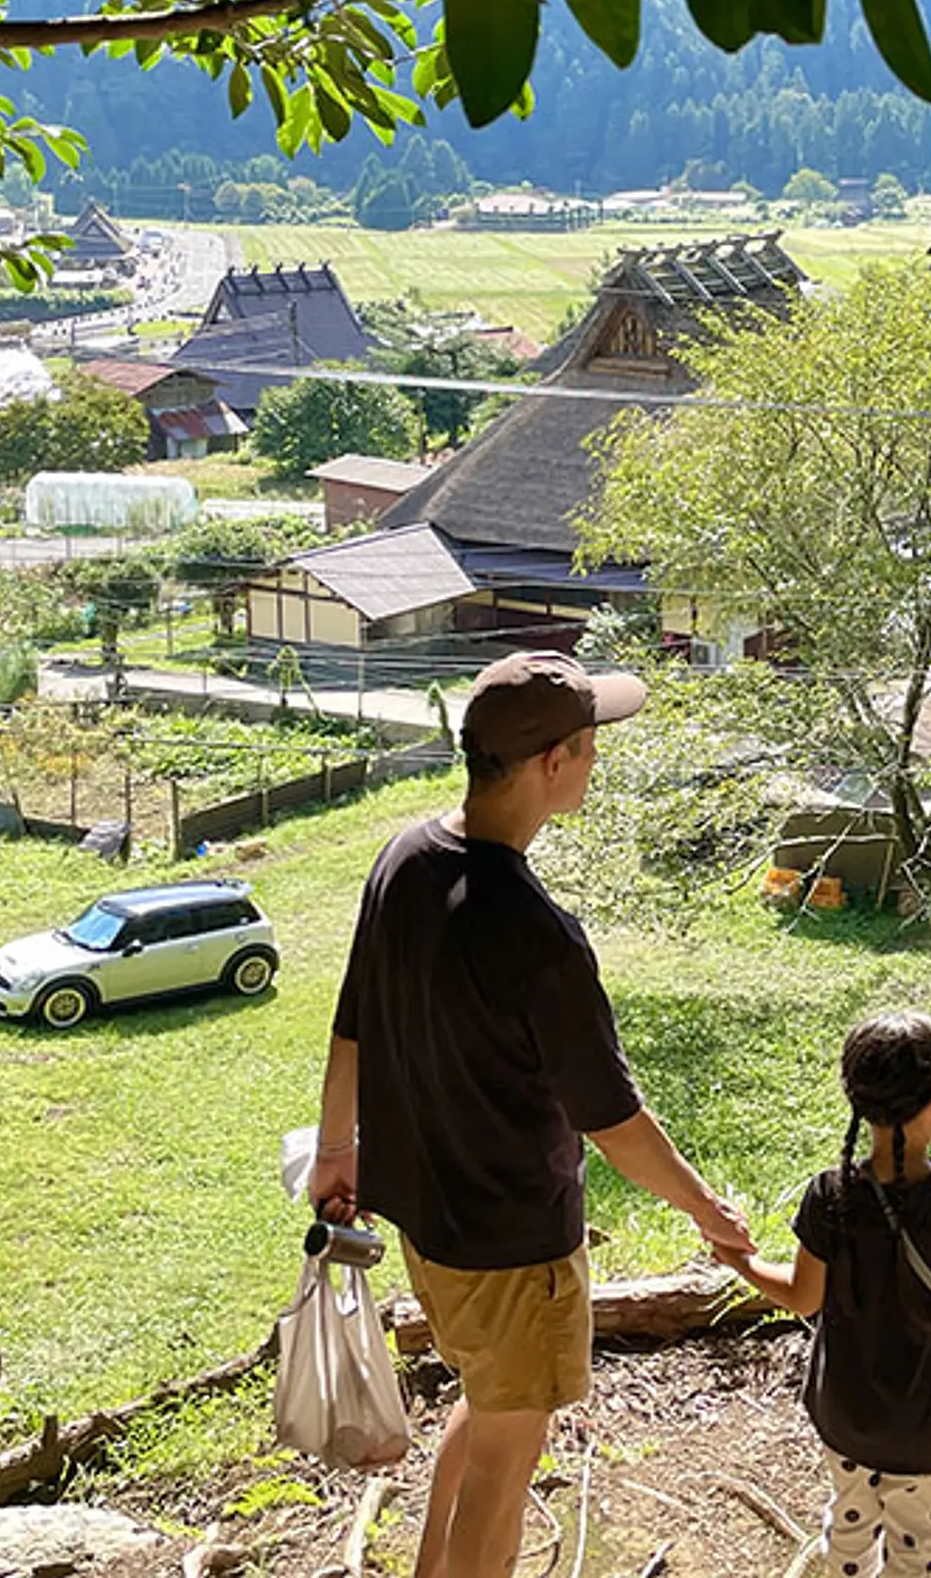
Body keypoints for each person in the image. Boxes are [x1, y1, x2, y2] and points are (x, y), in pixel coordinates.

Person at [309, 650, 753, 1578]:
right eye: (590, 746)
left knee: (489, 1404)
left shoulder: (404, 857)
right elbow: (613, 1121)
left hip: (427, 1228)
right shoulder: (537, 935)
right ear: (552, 762)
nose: (596, 762)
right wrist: (706, 1210)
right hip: (511, 1246)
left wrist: (336, 1152)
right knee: (508, 1472)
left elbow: (351, 1022)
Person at [712, 1011, 931, 1578]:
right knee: (915, 1554)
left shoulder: (830, 1193)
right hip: (930, 1425)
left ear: (861, 1104)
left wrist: (738, 1260)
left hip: (847, 1417)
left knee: (847, 1528)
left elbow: (800, 1297)